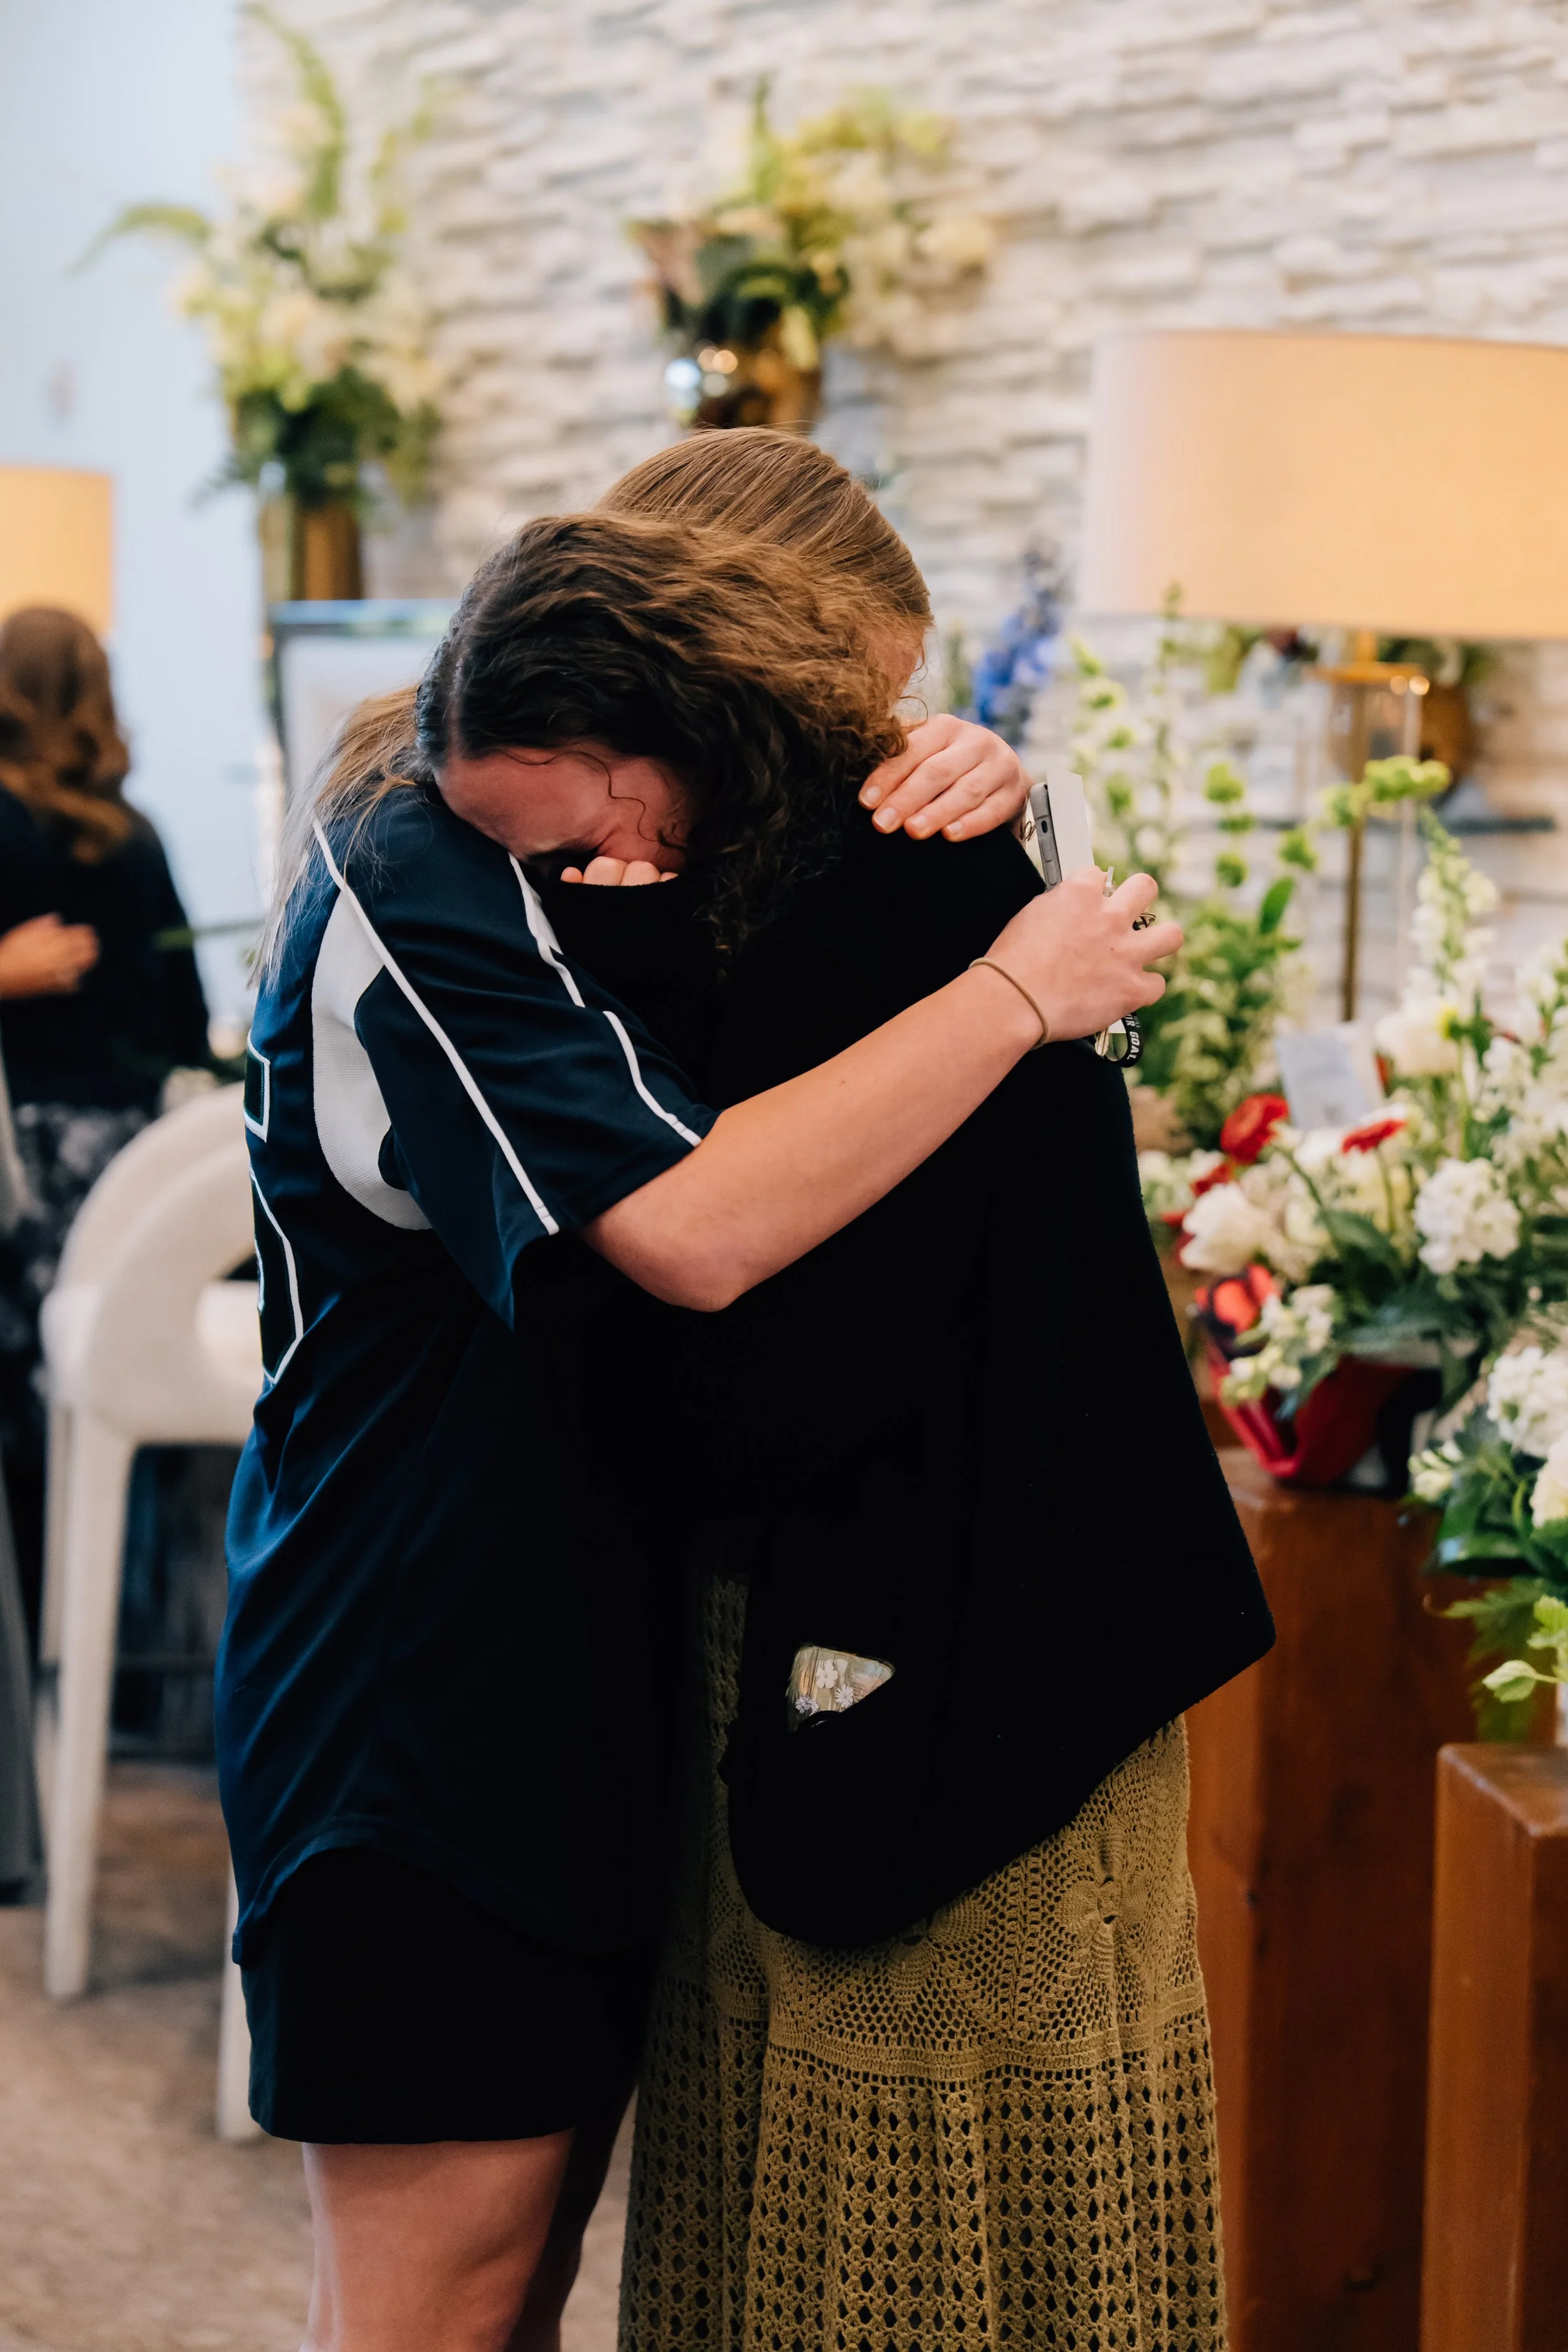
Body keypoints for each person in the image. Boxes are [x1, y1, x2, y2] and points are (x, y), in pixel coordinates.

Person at [219, 506, 1177, 2352]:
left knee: (525, 2275)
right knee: (435, 2304)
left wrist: (970, 770)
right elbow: (696, 1228)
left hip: (569, 1672)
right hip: (407, 1697)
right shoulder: (419, 871)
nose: (604, 866)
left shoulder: (602, 843)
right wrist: (1015, 989)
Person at [0, 607, 211, 1638]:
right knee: (119, 1407)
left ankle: (40, 1641)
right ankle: (120, 1652)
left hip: (25, 1159)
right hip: (136, 1169)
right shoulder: (139, 840)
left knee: (29, 1412)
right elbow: (187, 1019)